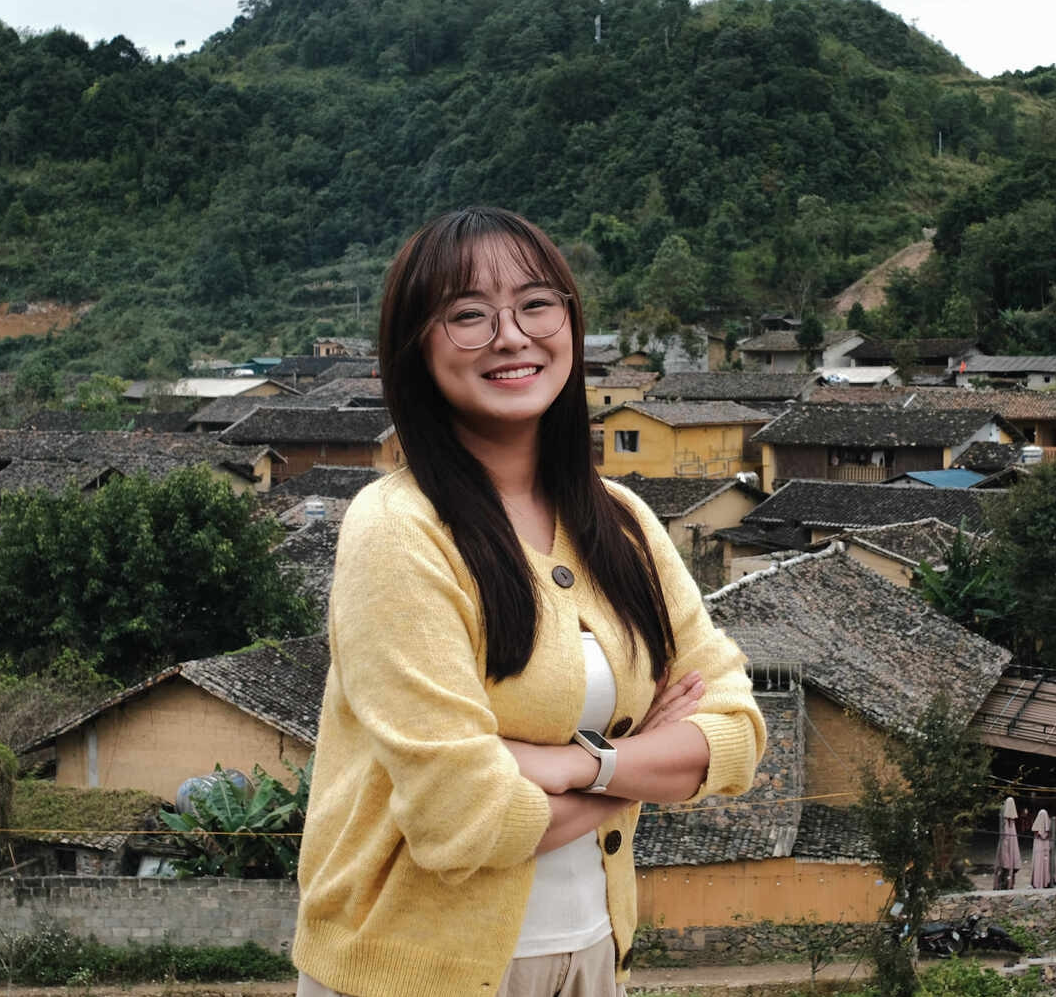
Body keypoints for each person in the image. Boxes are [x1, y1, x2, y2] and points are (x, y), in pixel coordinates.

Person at [292, 207, 767, 997]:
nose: (511, 336)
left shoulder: (623, 523)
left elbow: (737, 737)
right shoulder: (397, 531)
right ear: (416, 348)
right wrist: (639, 765)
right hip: (412, 973)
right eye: (469, 316)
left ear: (572, 326)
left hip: (593, 957)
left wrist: (565, 765)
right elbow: (461, 817)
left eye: (536, 305)